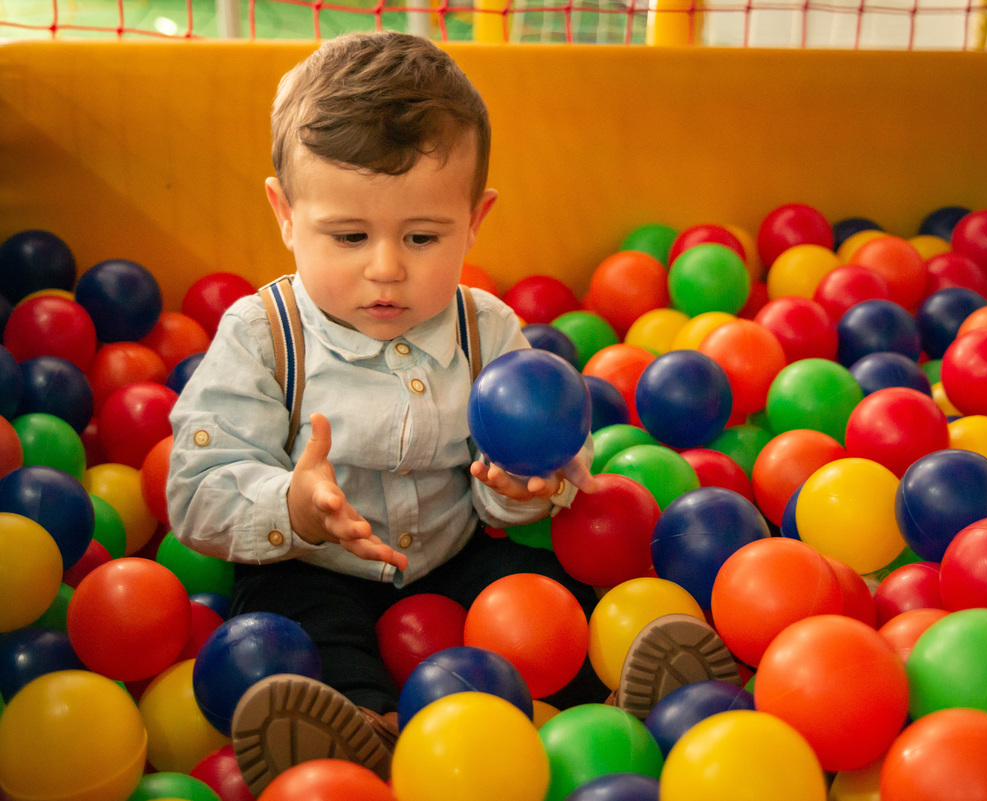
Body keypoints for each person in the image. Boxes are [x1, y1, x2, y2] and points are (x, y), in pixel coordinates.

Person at [168, 31, 737, 794]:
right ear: (285, 212)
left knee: (537, 595)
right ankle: (356, 733)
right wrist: (293, 507)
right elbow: (193, 489)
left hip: (453, 550)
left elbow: (524, 475)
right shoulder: (262, 336)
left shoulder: (489, 330)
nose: (386, 268)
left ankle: (606, 703)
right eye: (348, 235)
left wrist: (519, 484)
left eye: (422, 236)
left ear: (475, 219)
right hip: (315, 563)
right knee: (291, 632)